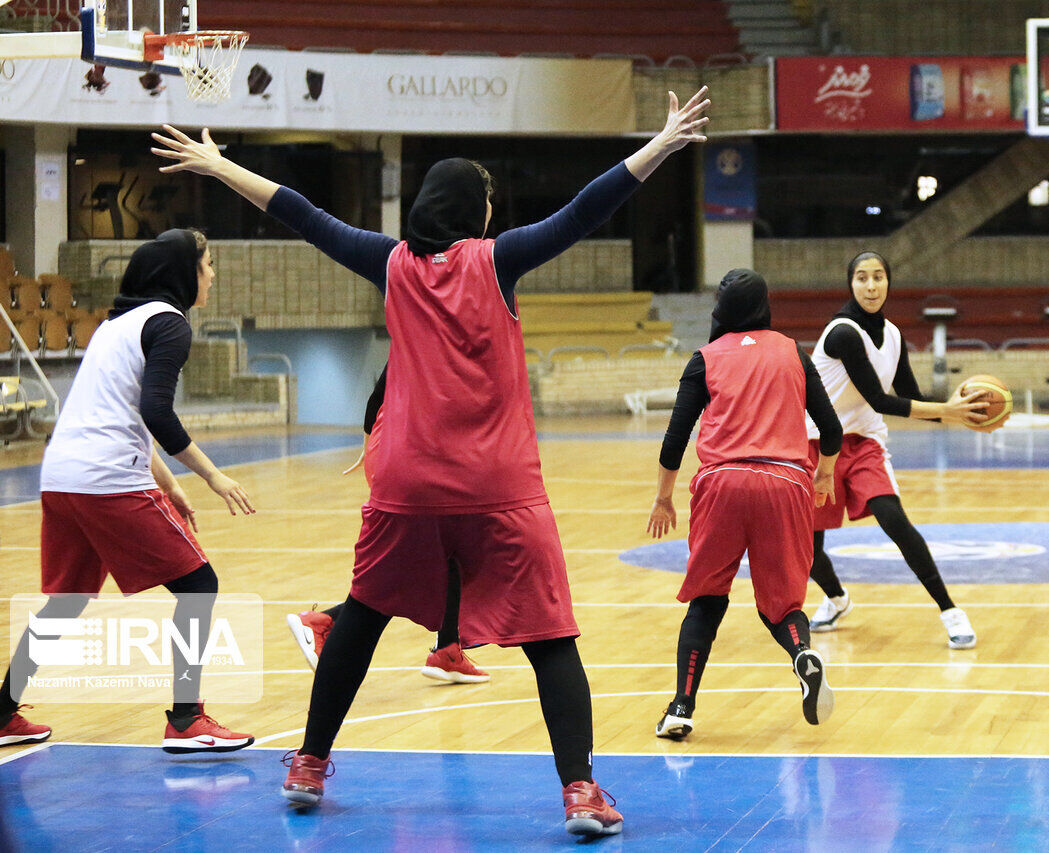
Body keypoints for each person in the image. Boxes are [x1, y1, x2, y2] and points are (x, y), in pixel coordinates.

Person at [152, 86, 709, 837]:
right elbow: (585, 209)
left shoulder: (391, 264)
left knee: (360, 622)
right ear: (475, 212)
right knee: (549, 641)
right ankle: (579, 791)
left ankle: (310, 763)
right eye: (485, 200)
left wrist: (220, 168)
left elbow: (301, 214)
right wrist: (663, 143)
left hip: (407, 484)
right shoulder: (498, 259)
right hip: (498, 485)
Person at [0, 229, 256, 752]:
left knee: (65, 603)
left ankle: (1, 712)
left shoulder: (116, 326)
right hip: (108, 480)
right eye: (207, 265)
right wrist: (212, 475)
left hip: (62, 478)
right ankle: (186, 719)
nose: (212, 275)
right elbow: (156, 412)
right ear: (184, 272)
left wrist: (171, 484)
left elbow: (121, 416)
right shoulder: (171, 324)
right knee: (198, 585)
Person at [646, 269, 843, 740]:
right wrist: (825, 473)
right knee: (782, 605)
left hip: (723, 483)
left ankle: (680, 708)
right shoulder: (794, 352)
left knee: (707, 603)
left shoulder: (705, 358)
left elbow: (675, 440)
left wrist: (663, 498)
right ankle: (802, 656)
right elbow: (831, 431)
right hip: (786, 483)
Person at [805, 251, 982, 649]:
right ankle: (836, 598)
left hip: (865, 442)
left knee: (894, 521)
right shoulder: (843, 333)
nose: (871, 286)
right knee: (807, 549)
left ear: (889, 282)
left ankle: (950, 611)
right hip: (818, 444)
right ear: (850, 283)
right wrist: (947, 413)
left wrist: (959, 411)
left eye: (879, 277)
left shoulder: (896, 335)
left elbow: (910, 397)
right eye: (862, 278)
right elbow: (880, 399)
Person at [287, 366, 489, 684]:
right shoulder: (435, 337)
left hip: (396, 453)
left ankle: (448, 648)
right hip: (407, 458)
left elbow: (376, 397)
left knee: (445, 554)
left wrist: (369, 449)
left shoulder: (418, 337)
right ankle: (326, 621)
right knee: (418, 564)